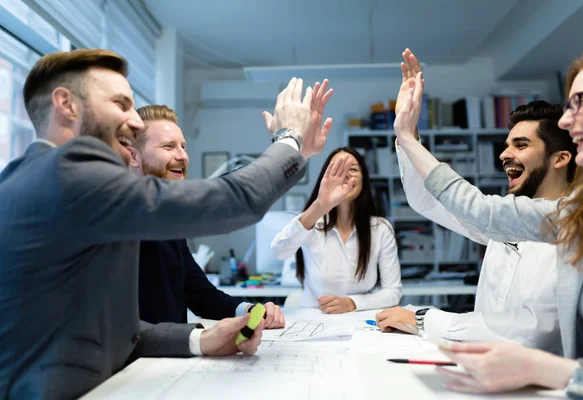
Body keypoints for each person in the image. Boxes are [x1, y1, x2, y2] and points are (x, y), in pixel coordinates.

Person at [0, 48, 339, 399]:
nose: (133, 121)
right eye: (121, 104)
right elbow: (233, 200)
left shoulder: (28, 178)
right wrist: (289, 139)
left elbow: (97, 332)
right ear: (66, 105)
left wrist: (200, 337)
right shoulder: (69, 171)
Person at [393, 46, 583, 396]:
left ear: (562, 158)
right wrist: (406, 139)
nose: (504, 154)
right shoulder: (521, 220)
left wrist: (425, 319)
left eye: (521, 144)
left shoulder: (572, 223)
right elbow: (428, 199)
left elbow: (526, 335)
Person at [130, 104, 284, 328]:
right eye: (168, 146)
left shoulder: (168, 224)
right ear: (134, 156)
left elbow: (202, 297)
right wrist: (287, 146)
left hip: (168, 359)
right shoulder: (120, 219)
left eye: (183, 147)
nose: (182, 156)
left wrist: (251, 310)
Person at [271, 147, 402, 313]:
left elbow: (393, 292)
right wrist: (319, 206)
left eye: (353, 169)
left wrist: (352, 303)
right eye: (337, 170)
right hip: (314, 320)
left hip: (360, 323)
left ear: (364, 179)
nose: (345, 175)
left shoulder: (380, 229)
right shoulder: (311, 221)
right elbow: (279, 251)